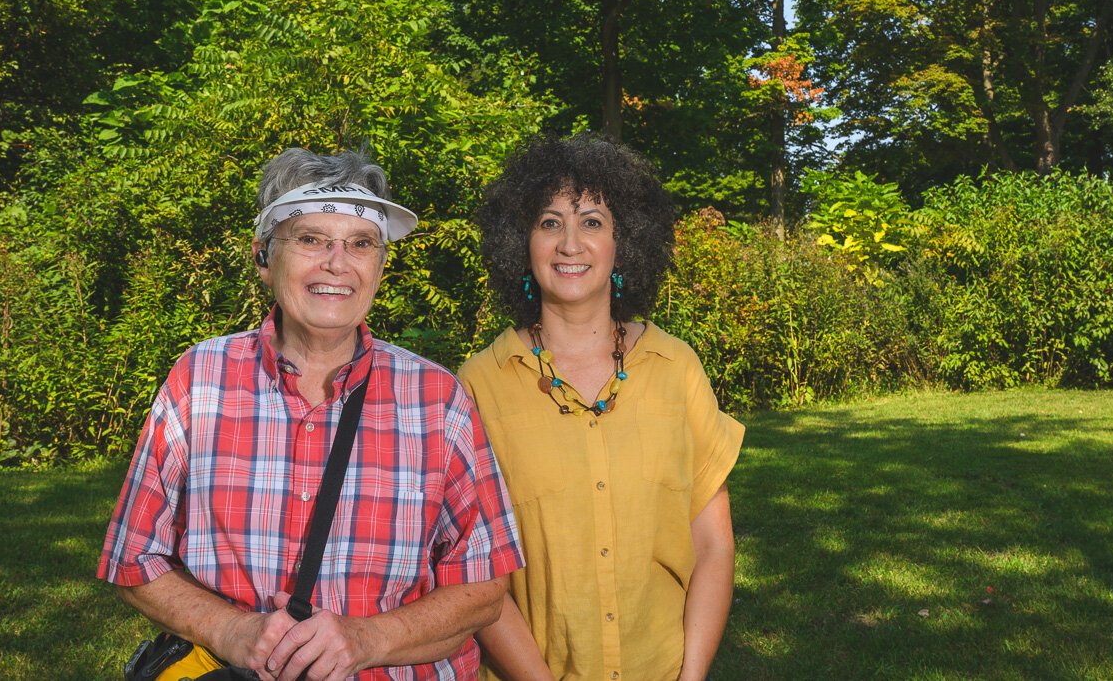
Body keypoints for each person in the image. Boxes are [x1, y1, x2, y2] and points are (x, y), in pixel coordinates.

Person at [100, 148, 525, 681]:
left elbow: (484, 588)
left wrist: (365, 639)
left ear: (380, 264)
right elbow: (133, 558)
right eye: (311, 239)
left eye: (361, 244)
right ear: (263, 256)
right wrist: (232, 631)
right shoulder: (199, 381)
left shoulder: (437, 399)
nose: (337, 263)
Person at [459, 136, 743, 681]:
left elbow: (713, 545)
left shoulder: (676, 367)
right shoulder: (477, 387)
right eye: (549, 222)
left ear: (624, 243)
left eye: (592, 222)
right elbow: (477, 577)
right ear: (520, 242)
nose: (570, 244)